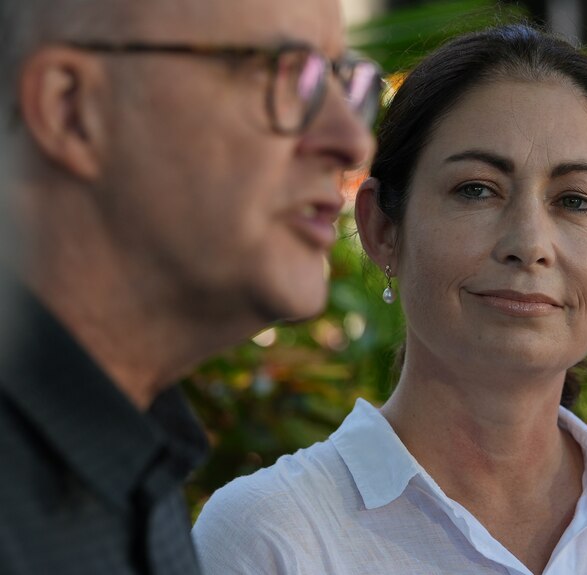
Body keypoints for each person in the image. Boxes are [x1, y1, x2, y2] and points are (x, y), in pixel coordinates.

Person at [192, 24, 587, 575]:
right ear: (383, 229)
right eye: (476, 190)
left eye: (576, 201)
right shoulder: (270, 535)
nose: (529, 245)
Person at [0, 0, 379, 573]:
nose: (353, 142)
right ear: (71, 109)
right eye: (280, 72)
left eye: (340, 80)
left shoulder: (137, 474)